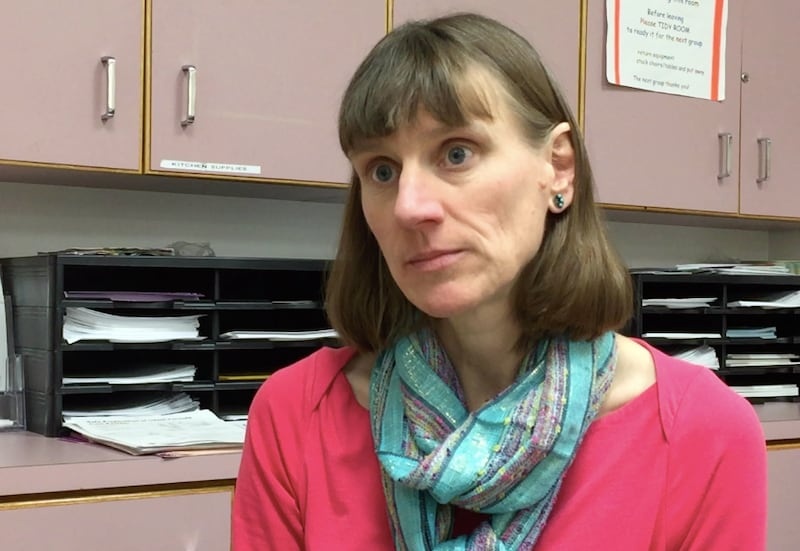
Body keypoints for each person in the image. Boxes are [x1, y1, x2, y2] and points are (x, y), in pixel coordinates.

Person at [232, 12, 766, 550]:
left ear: (558, 168)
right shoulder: (296, 414)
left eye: (456, 153)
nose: (409, 207)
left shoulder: (701, 432)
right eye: (383, 170)